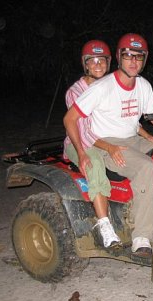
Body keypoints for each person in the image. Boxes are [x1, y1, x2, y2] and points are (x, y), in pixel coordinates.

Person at [64, 33, 153, 257]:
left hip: (134, 139)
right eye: (128, 56)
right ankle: (142, 238)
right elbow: (70, 119)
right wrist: (85, 152)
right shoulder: (103, 87)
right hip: (108, 144)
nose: (133, 62)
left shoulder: (143, 86)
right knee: (146, 167)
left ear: (145, 59)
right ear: (119, 58)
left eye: (138, 57)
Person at [63, 39, 121, 249]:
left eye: (102, 60)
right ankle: (104, 226)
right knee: (94, 164)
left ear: (108, 62)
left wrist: (144, 134)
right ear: (85, 64)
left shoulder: (109, 86)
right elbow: (84, 131)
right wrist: (81, 153)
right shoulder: (75, 92)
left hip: (103, 139)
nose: (98, 64)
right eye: (93, 60)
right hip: (79, 142)